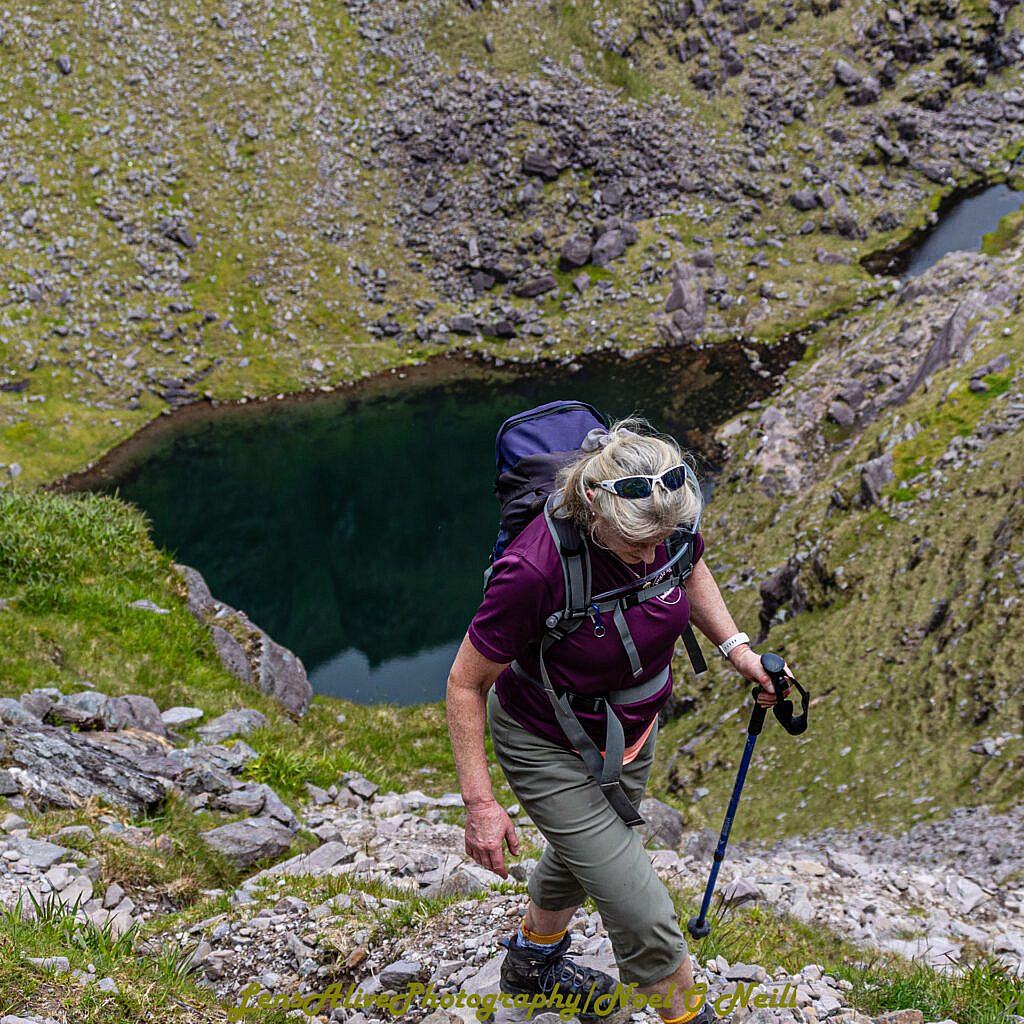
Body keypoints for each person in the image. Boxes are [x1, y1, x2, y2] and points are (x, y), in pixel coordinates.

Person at [446, 419, 790, 1024]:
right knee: (644, 911)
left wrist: (738, 650)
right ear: (593, 508)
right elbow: (465, 683)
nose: (652, 554)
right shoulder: (534, 569)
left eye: (663, 538)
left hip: (633, 731)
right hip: (546, 741)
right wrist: (480, 804)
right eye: (636, 545)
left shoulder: (664, 520)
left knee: (587, 858)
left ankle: (532, 962)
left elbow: (689, 567)